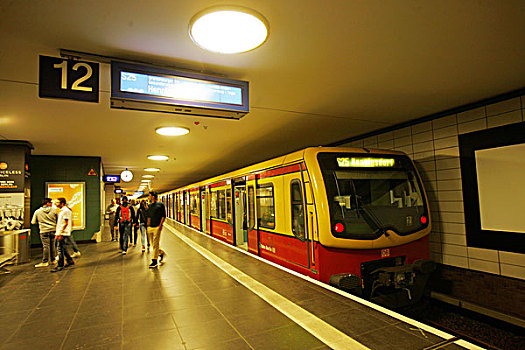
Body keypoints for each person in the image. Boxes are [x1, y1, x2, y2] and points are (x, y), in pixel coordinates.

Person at [31, 198, 57, 267]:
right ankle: (53, 259)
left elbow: (33, 222)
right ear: (47, 203)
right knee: (52, 245)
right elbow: (58, 219)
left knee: (46, 246)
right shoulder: (54, 210)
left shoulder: (37, 211)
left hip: (43, 230)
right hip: (53, 229)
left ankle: (45, 261)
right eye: (50, 202)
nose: (51, 204)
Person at [51, 197, 74, 272]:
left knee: (59, 248)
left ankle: (60, 265)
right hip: (62, 232)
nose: (55, 203)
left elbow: (65, 223)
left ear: (62, 203)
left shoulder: (65, 211)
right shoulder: (63, 211)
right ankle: (70, 260)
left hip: (63, 233)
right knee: (63, 247)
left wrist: (60, 233)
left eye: (57, 202)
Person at [146, 191, 166, 268]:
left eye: (149, 196)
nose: (148, 197)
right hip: (150, 227)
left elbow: (163, 216)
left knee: (155, 243)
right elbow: (149, 216)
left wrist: (160, 225)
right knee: (153, 244)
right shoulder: (149, 206)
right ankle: (161, 252)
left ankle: (154, 261)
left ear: (153, 197)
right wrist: (148, 225)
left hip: (157, 227)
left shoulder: (160, 205)